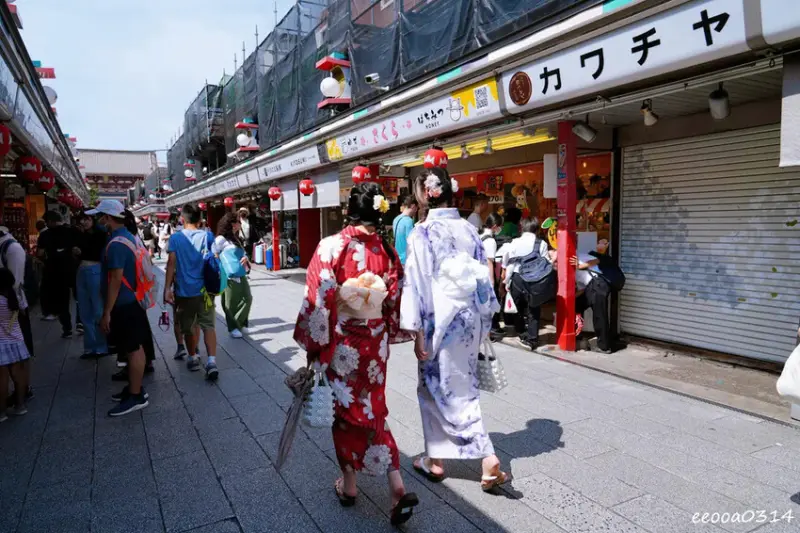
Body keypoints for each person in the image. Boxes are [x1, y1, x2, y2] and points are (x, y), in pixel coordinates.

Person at [294, 182, 419, 525]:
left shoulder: (331, 247)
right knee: (372, 406)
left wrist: (316, 346)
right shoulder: (388, 252)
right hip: (374, 344)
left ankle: (355, 484)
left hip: (342, 344)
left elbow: (318, 300)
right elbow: (393, 300)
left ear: (349, 210)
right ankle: (388, 481)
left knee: (346, 412)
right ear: (379, 212)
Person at [399, 168, 508, 492]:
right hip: (468, 319)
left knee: (436, 387)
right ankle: (437, 457)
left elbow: (415, 284)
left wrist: (416, 330)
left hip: (439, 320)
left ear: (426, 193)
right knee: (461, 385)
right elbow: (483, 278)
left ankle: (483, 457)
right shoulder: (469, 229)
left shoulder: (423, 232)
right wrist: (485, 321)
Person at [87, 200, 150, 416]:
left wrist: (106, 312)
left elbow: (115, 279)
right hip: (131, 299)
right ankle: (135, 388)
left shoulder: (116, 244)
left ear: (107, 218)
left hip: (123, 303)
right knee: (134, 347)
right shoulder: (126, 237)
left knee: (133, 349)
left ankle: (136, 395)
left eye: (99, 216)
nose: (97, 220)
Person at [164, 204, 219, 380]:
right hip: (205, 291)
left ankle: (193, 357)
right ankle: (211, 362)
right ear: (200, 219)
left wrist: (167, 288)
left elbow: (171, 263)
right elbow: (215, 259)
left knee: (188, 327)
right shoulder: (208, 236)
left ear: (182, 219)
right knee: (208, 325)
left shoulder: (176, 238)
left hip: (184, 291)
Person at [502, 218, 555, 350]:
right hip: (535, 279)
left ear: (522, 228)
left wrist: (506, 281)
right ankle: (532, 339)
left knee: (517, 307)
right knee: (534, 308)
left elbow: (510, 264)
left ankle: (522, 333)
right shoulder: (541, 243)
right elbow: (546, 263)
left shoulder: (514, 243)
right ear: (536, 229)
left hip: (517, 278)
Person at [0, 228, 33, 406]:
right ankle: (20, 401)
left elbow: (16, 282)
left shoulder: (11, 248)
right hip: (14, 332)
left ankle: (12, 401)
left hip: (9, 330)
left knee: (6, 370)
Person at [37, 211, 79, 337]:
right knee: (79, 299)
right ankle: (81, 323)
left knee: (62, 301)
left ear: (49, 221)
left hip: (55, 272)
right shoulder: (72, 231)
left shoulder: (45, 235)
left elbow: (40, 253)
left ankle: (67, 328)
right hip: (73, 269)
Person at [74, 213, 109, 359]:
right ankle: (90, 347)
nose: (84, 221)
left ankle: (101, 346)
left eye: (87, 219)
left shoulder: (100, 234)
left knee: (97, 308)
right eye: (82, 219)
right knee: (84, 309)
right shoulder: (79, 233)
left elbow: (97, 253)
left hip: (95, 269)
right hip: (82, 269)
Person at [572, 239, 614, 354]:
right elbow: (582, 287)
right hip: (590, 288)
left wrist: (579, 266)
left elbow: (598, 260)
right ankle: (577, 334)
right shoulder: (567, 266)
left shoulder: (580, 255)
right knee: (575, 306)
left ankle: (604, 347)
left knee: (599, 316)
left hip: (599, 285)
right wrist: (571, 297)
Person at [0, 268, 31, 422]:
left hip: (1, 343)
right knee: (18, 377)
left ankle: (2, 413)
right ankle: (20, 406)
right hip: (17, 341)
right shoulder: (17, 295)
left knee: (2, 380)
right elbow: (24, 313)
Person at [214, 212, 252, 339]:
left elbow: (244, 253)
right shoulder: (221, 239)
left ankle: (240, 322)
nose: (239, 224)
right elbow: (213, 254)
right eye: (237, 221)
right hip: (228, 274)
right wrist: (221, 266)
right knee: (230, 302)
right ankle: (234, 327)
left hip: (240, 272)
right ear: (230, 224)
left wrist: (245, 257)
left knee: (247, 298)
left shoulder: (236, 238)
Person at [480, 213, 505, 340]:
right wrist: (493, 281)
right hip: (485, 276)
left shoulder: (479, 235)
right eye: (500, 226)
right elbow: (490, 263)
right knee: (490, 307)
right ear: (495, 226)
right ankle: (488, 334)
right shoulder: (490, 241)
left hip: (477, 275)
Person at [391, 196, 418, 265]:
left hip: (397, 257)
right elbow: (411, 242)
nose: (416, 211)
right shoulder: (408, 221)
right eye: (417, 208)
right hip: (406, 258)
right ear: (413, 206)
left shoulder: (396, 219)